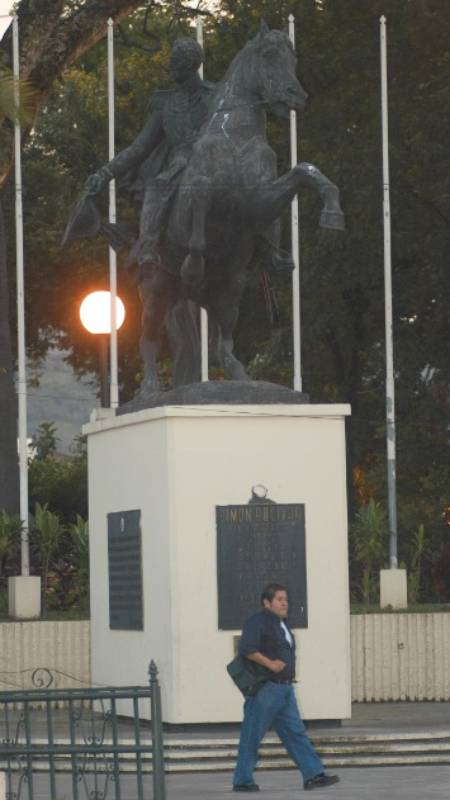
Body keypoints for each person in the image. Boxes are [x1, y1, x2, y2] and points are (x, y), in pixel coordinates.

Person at [85, 37, 215, 279]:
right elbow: (140, 147)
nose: (170, 68)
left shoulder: (215, 96)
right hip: (180, 163)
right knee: (157, 187)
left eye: (175, 63)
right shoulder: (165, 103)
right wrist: (105, 174)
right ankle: (148, 250)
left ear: (190, 64)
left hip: (215, 160)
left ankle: (266, 243)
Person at [233, 583, 340, 792]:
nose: (285, 603)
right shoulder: (258, 622)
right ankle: (242, 780)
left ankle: (313, 775)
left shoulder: (282, 624)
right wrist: (270, 664)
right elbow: (246, 648)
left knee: (296, 733)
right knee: (252, 734)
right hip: (266, 690)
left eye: (286, 599)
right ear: (267, 602)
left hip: (285, 690)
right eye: (280, 599)